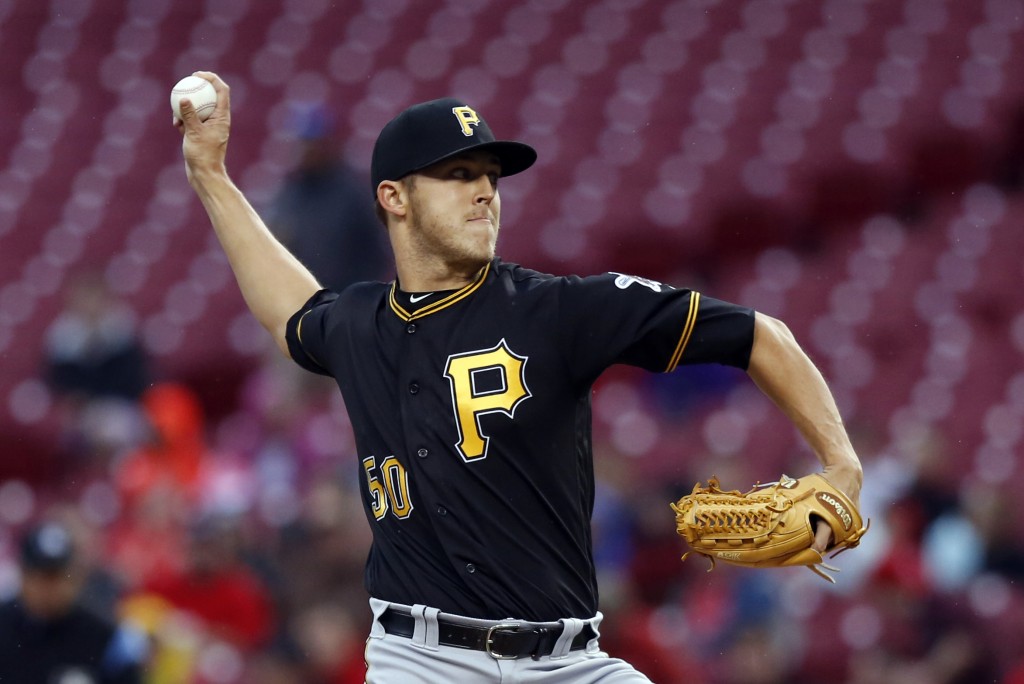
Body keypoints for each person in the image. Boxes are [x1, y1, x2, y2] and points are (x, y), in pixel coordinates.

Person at [174, 72, 863, 683]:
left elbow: (759, 336)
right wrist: (210, 175)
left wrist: (840, 460)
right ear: (394, 197)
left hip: (569, 661)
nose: (483, 193)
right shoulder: (359, 326)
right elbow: (290, 310)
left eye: (490, 177)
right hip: (421, 661)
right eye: (458, 174)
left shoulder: (558, 310)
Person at [0, 522, 146, 684]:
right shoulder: (3, 625)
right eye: (41, 577)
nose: (49, 588)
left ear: (76, 578)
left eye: (58, 577)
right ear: (23, 577)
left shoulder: (103, 636)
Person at [267, 102, 389, 292]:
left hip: (346, 303)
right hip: (304, 300)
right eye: (301, 142)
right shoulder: (291, 192)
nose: (304, 150)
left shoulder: (352, 192)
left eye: (311, 143)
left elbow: (377, 255)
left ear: (326, 143)